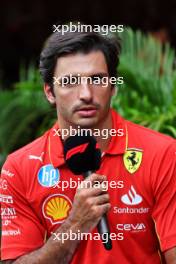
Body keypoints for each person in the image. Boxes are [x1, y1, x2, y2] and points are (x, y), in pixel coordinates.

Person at [0, 26, 176, 264]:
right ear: (50, 92)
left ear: (113, 87)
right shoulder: (19, 168)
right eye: (70, 82)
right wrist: (75, 224)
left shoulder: (163, 154)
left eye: (97, 79)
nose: (85, 94)